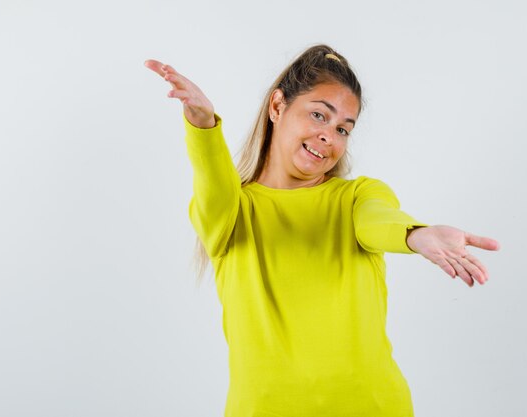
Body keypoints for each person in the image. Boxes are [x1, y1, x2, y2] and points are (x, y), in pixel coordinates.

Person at [144, 44, 500, 417]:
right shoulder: (232, 212)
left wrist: (415, 235)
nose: (330, 136)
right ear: (278, 107)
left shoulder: (357, 196)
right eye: (318, 115)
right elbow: (212, 183)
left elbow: (377, 220)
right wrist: (203, 126)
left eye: (343, 128)